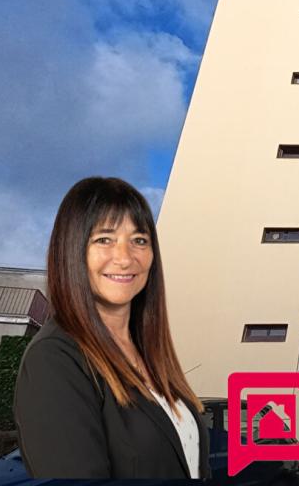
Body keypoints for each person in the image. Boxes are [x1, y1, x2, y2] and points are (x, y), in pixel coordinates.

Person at [14, 177, 210, 479]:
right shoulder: (54, 359)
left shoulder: (150, 353)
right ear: (72, 250)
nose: (125, 258)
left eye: (139, 240)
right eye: (104, 239)